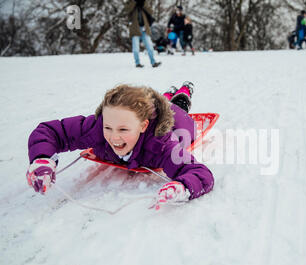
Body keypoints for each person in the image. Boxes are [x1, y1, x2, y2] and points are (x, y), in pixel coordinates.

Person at [26, 82, 214, 208]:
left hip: (178, 120)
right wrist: (42, 159)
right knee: (158, 100)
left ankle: (184, 90)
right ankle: (164, 95)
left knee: (178, 104)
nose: (114, 137)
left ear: (143, 126)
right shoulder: (97, 127)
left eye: (123, 130)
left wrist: (182, 187)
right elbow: (51, 131)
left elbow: (200, 173)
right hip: (143, 110)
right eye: (108, 127)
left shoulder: (161, 144)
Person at [123, 0, 161, 68]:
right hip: (135, 29)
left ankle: (153, 62)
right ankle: (137, 63)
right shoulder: (130, 2)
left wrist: (143, 4)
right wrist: (134, 2)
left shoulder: (144, 2)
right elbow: (126, 11)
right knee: (136, 48)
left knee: (150, 47)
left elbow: (151, 11)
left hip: (144, 29)